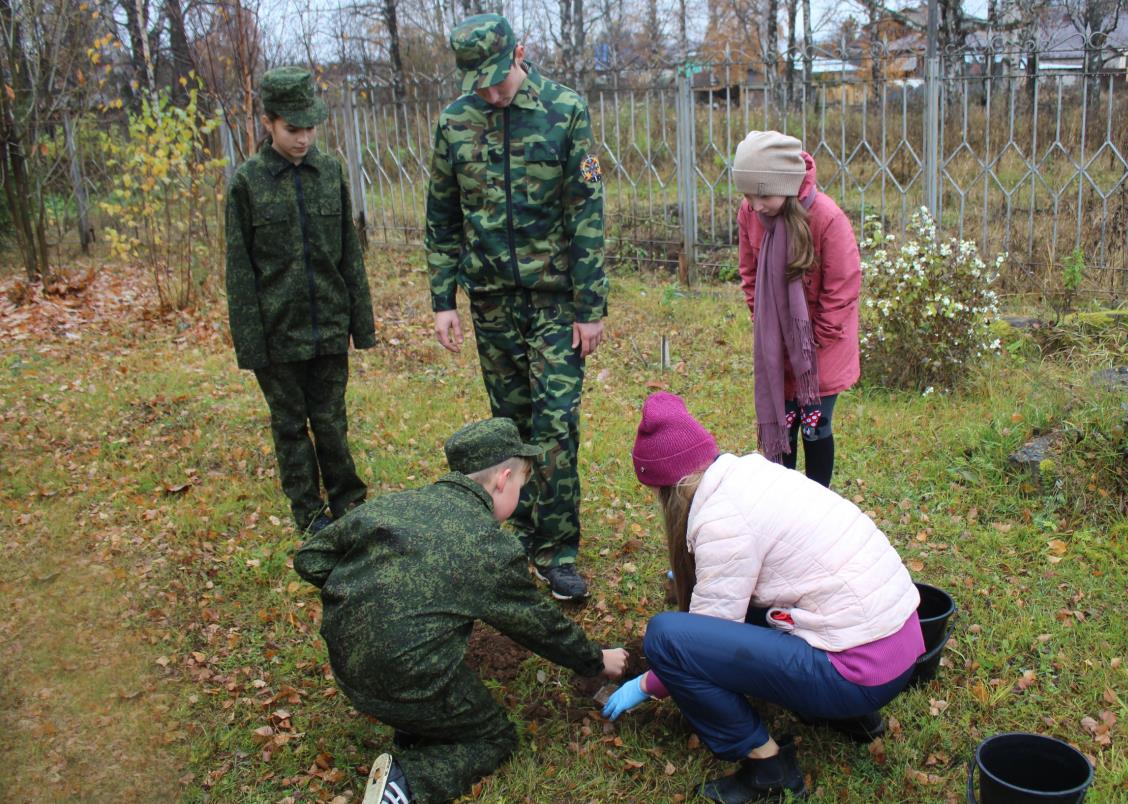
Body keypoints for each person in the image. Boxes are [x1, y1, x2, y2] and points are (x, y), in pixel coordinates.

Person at [606, 392, 923, 803]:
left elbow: (702, 641)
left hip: (856, 671)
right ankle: (851, 718)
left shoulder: (722, 521)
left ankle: (768, 770)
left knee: (667, 637)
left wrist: (647, 684)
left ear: (669, 489)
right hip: (897, 645)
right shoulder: (752, 476)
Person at [293, 418, 628, 804]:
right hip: (403, 676)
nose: (520, 492)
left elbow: (311, 557)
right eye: (521, 484)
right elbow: (540, 625)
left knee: (421, 682)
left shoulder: (397, 504)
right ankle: (406, 785)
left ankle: (418, 722)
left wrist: (366, 591)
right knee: (493, 737)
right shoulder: (488, 549)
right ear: (502, 479)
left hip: (345, 661)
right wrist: (595, 659)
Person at [425, 13, 607, 602]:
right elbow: (442, 216)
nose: (492, 92)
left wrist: (590, 305)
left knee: (554, 426)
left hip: (556, 300)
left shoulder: (564, 110)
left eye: (498, 79)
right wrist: (441, 299)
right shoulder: (455, 122)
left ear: (520, 53)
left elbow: (586, 212)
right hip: (492, 299)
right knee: (510, 423)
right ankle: (519, 534)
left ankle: (558, 550)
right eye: (480, 82)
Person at [225, 66, 376, 533]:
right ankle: (309, 515)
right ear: (268, 122)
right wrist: (251, 346)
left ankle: (349, 503)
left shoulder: (330, 173)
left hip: (329, 326)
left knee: (332, 422)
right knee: (291, 426)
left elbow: (350, 253)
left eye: (310, 127)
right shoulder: (247, 184)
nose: (304, 138)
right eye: (293, 129)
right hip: (277, 334)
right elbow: (239, 271)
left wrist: (361, 325)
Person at [733, 130, 862, 487]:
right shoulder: (750, 214)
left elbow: (843, 287)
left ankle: (818, 500)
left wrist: (811, 341)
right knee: (783, 424)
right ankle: (785, 503)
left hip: (821, 351)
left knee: (815, 427)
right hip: (776, 348)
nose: (755, 204)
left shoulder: (827, 219)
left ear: (786, 186)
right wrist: (765, 322)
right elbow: (749, 271)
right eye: (747, 195)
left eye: (763, 194)